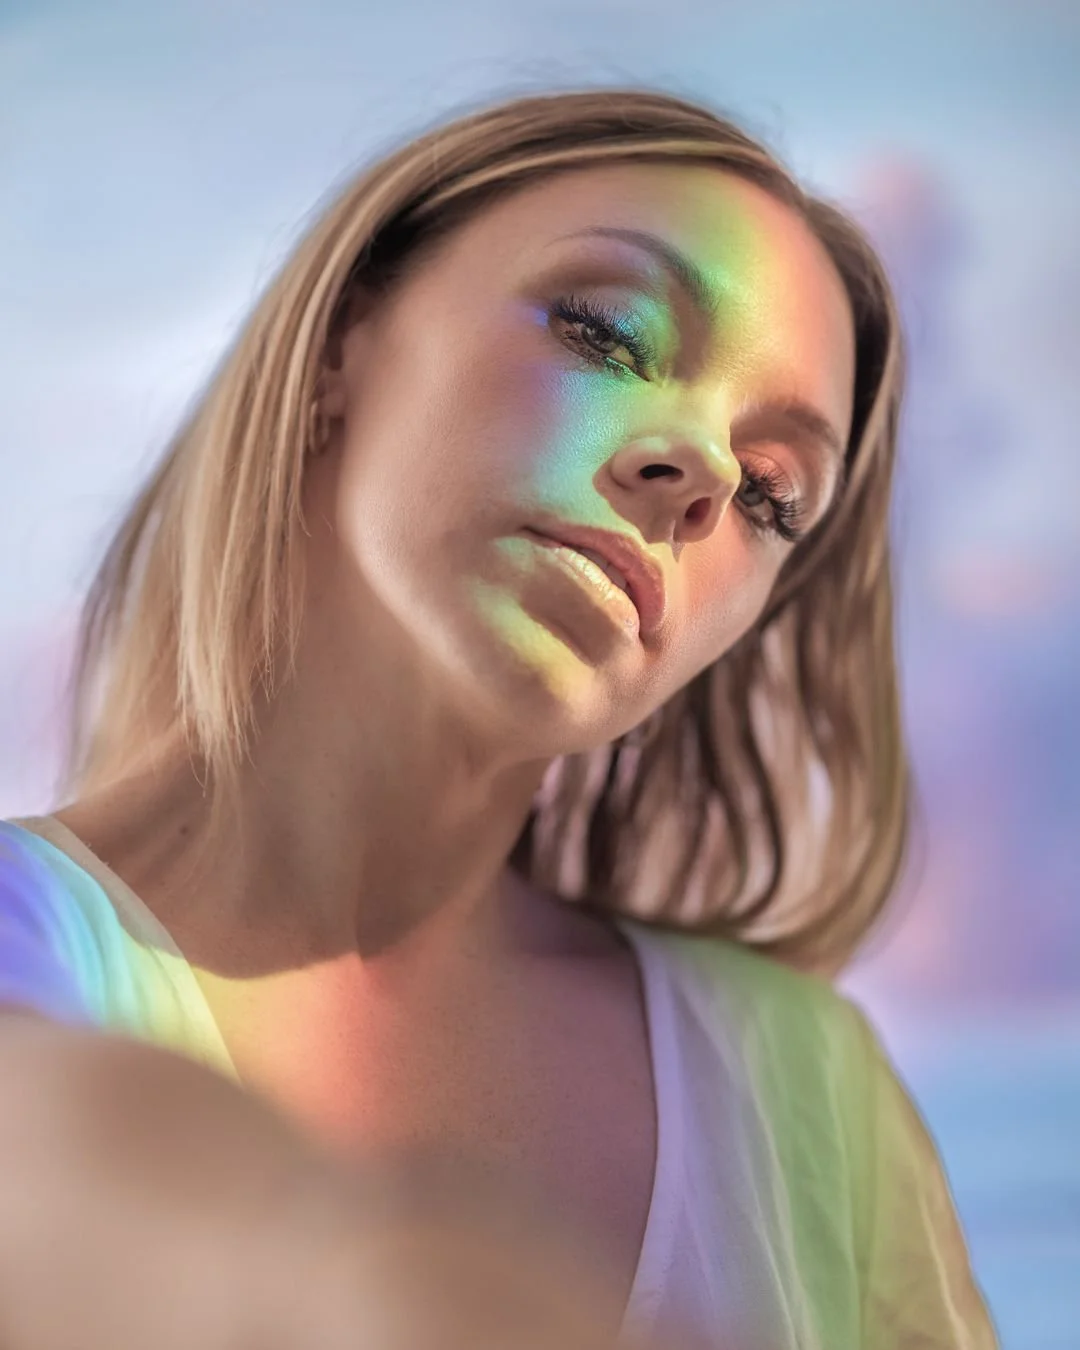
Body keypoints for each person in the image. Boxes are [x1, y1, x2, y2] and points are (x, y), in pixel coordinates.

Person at [0, 86, 999, 1349]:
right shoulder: (28, 955)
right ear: (340, 346)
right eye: (603, 330)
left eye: (771, 494)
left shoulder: (810, 1093)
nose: (696, 471)